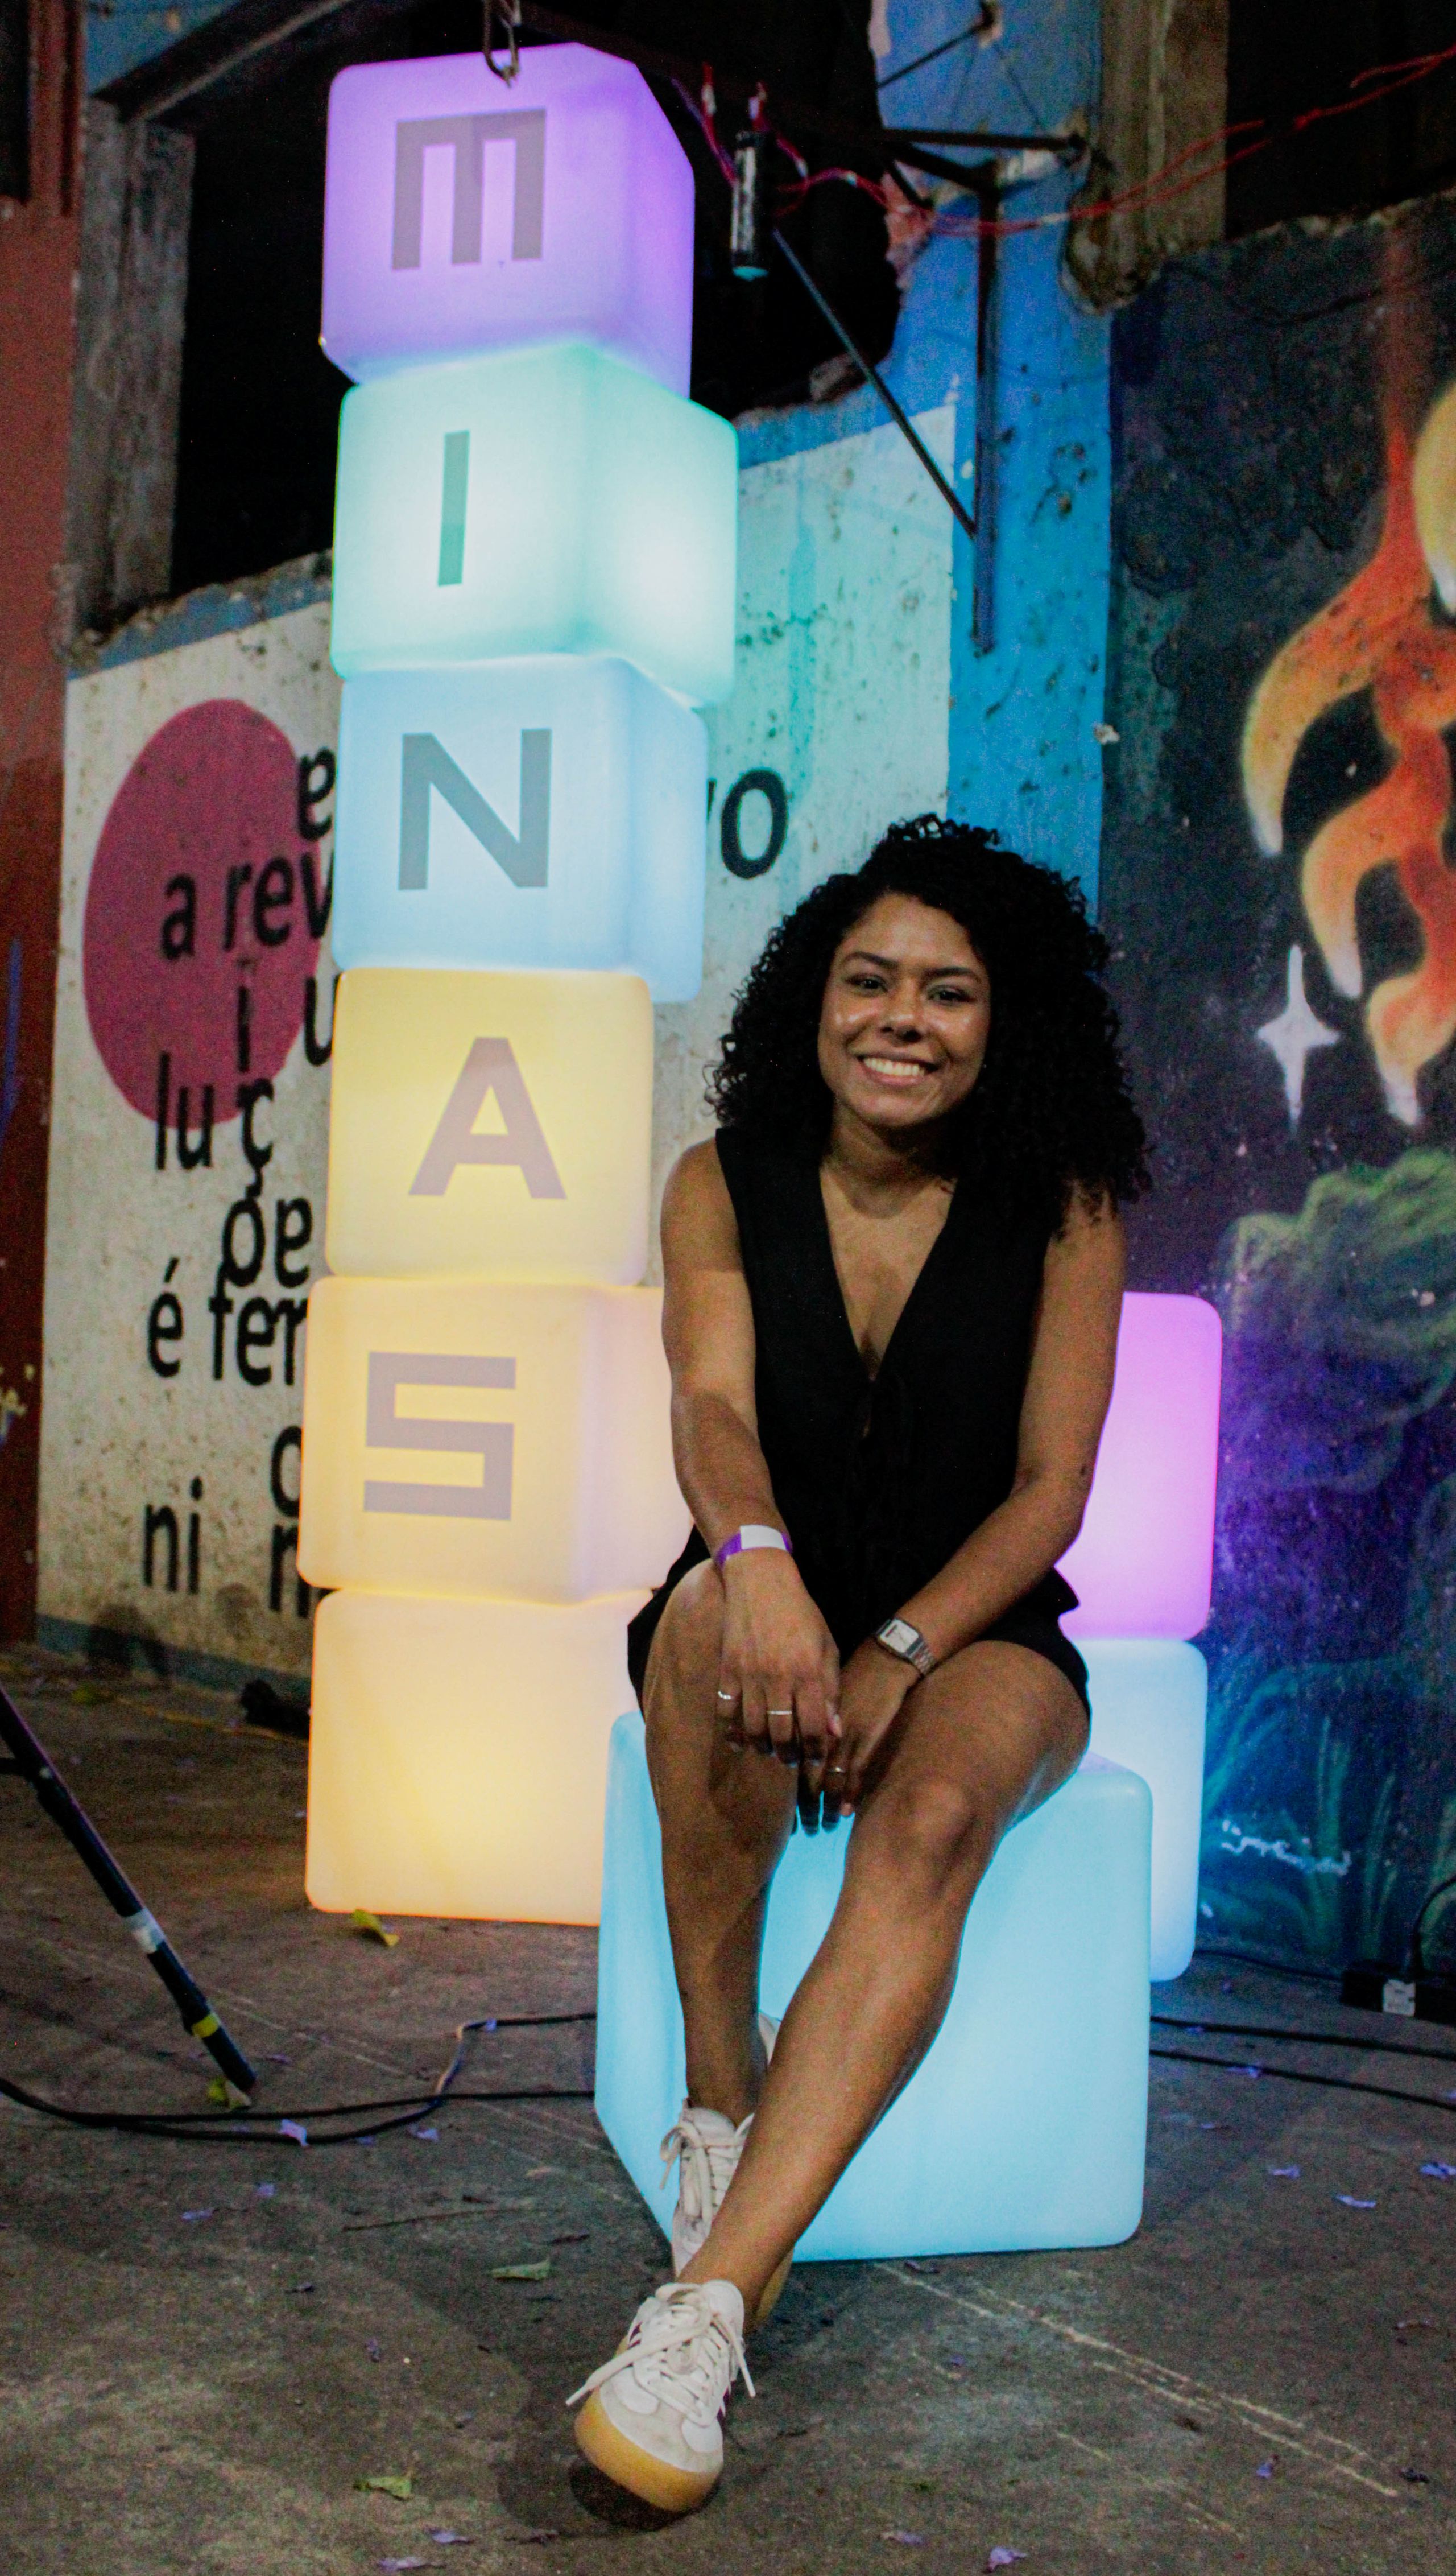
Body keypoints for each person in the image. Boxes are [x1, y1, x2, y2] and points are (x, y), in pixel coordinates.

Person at [568, 816, 1148, 2513]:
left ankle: (704, 2314)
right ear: (811, 1000)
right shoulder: (722, 1177)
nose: (902, 1017)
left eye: (948, 992)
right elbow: (710, 1403)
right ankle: (720, 2103)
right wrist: (757, 1567)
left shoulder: (1066, 1206)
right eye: (869, 980)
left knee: (938, 1814)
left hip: (980, 1622)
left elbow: (1053, 1491)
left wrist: (902, 1644)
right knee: (705, 1633)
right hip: (767, 1574)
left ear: (1005, 1019)